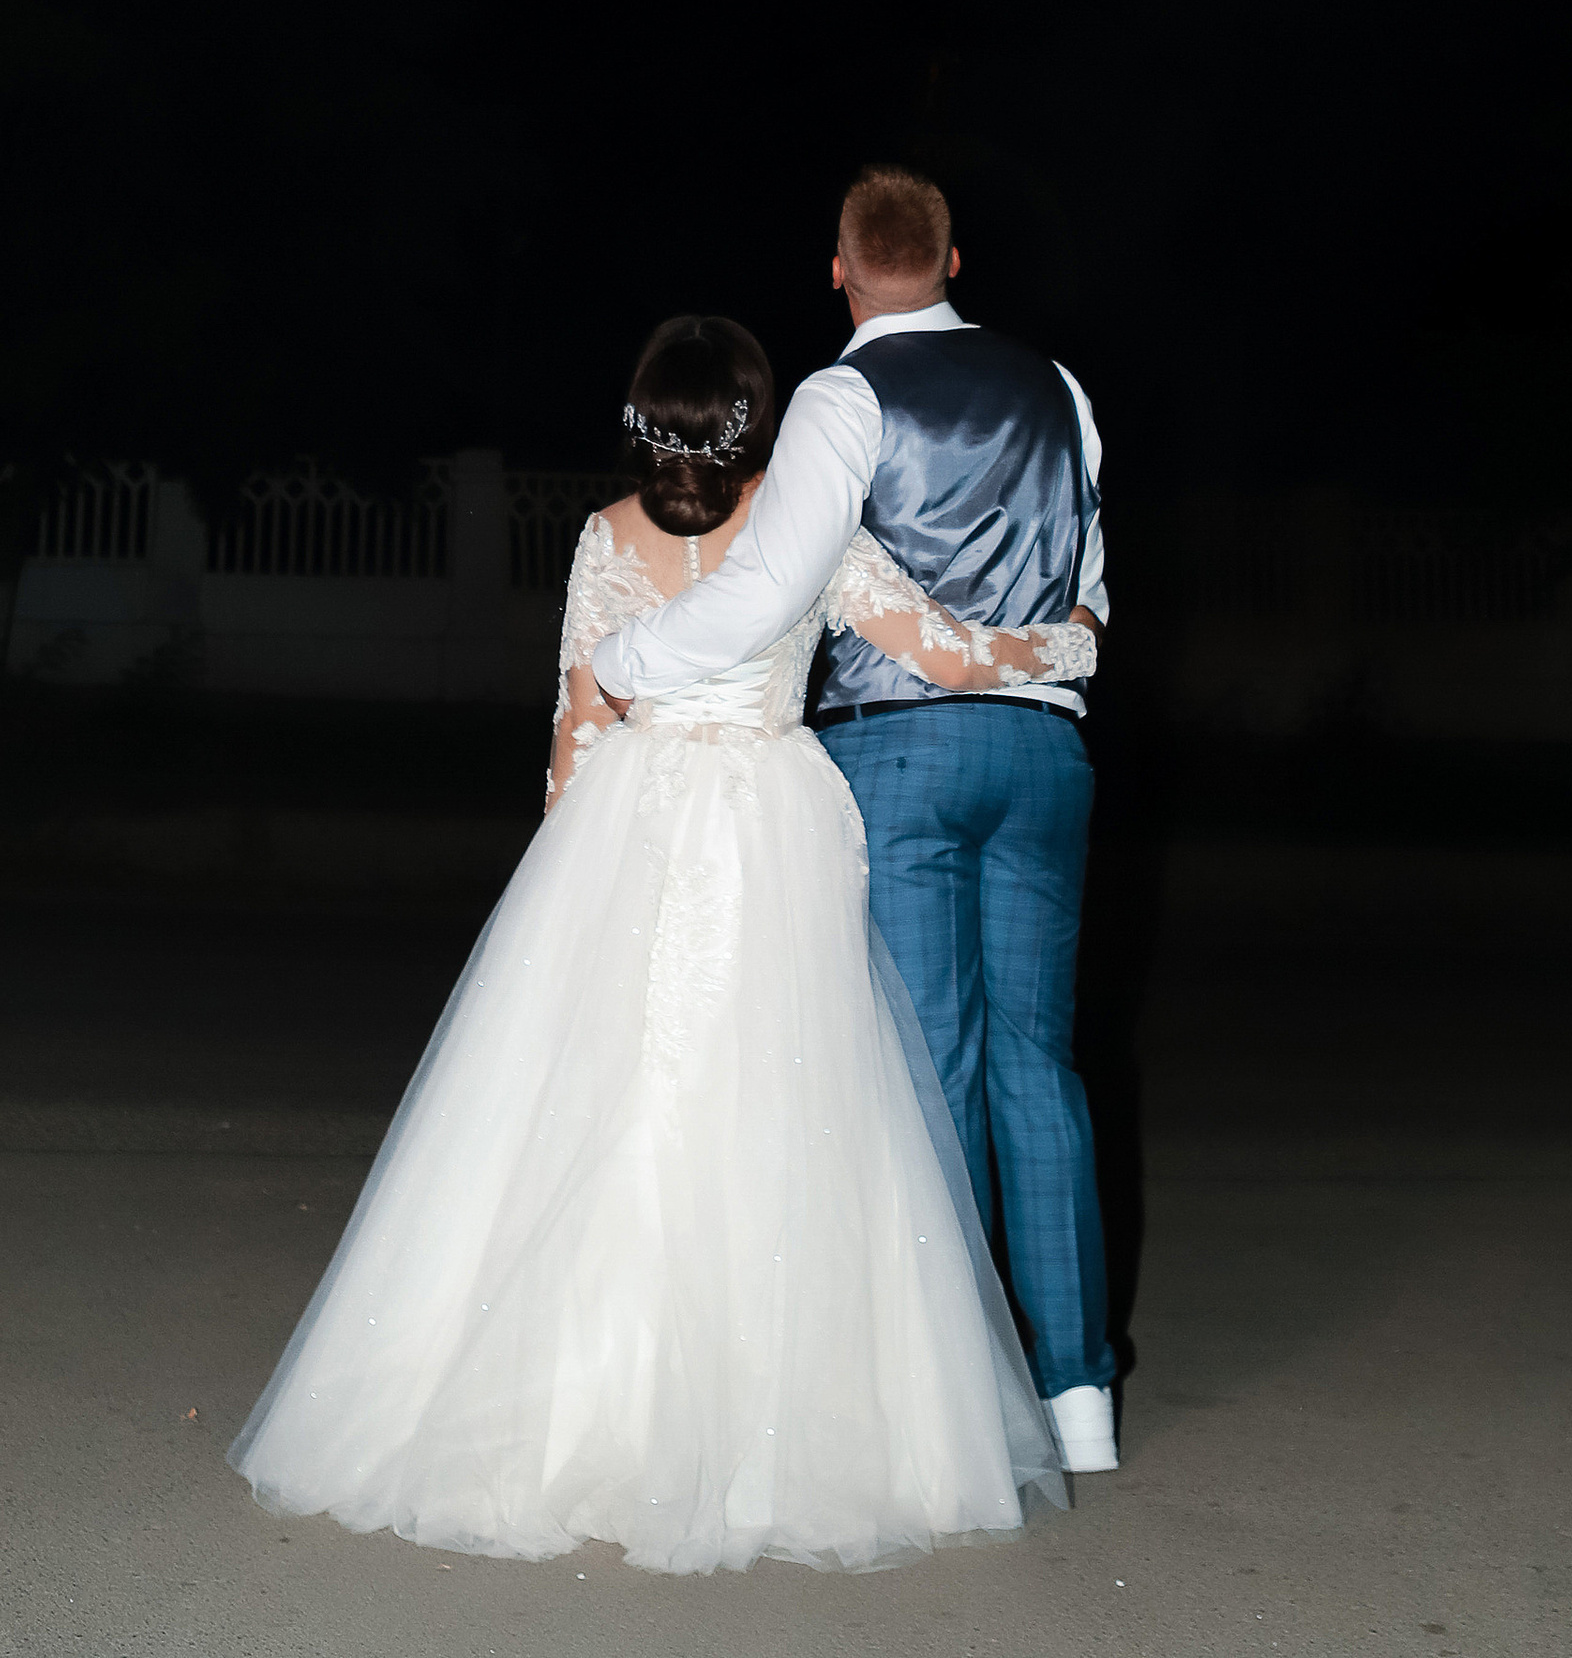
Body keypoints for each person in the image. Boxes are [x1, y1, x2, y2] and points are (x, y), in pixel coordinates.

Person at [231, 310, 1092, 1573]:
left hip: (633, 824)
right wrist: (1067, 643)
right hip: (769, 819)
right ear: (758, 428)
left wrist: (559, 885)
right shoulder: (807, 541)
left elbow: (576, 718)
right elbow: (943, 654)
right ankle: (773, 1425)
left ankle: (581, 1404)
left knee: (609, 1091)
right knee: (776, 1103)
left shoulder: (600, 539)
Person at [589, 168, 1119, 1474]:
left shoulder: (843, 395)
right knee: (1040, 1073)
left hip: (904, 752)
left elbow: (774, 584)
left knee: (930, 1074)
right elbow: (1096, 595)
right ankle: (1079, 1403)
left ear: (841, 268)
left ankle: (953, 1412)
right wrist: (1042, 660)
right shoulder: (1062, 389)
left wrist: (630, 654)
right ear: (953, 259)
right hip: (1047, 750)